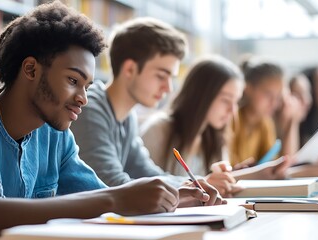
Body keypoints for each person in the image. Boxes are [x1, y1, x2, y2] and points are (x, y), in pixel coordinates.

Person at [0, 2, 222, 239]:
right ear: (30, 70)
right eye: (72, 80)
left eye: (87, 87)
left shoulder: (55, 136)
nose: (83, 97)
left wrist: (174, 197)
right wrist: (118, 200)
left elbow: (100, 196)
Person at [70, 17, 223, 191]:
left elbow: (148, 173)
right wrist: (185, 190)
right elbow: (110, 184)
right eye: (161, 76)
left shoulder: (127, 117)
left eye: (170, 78)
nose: (168, 88)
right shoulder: (90, 110)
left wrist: (197, 184)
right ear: (130, 69)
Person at [140, 56, 291, 197]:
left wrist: (258, 173)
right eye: (226, 100)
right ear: (202, 96)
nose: (232, 111)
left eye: (235, 102)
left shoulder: (214, 135)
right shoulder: (159, 130)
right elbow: (143, 187)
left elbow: (210, 183)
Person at [229, 57, 294, 171]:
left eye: (278, 97)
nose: (274, 103)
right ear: (248, 88)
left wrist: (291, 121)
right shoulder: (232, 119)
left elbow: (275, 165)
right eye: (268, 94)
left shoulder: (265, 123)